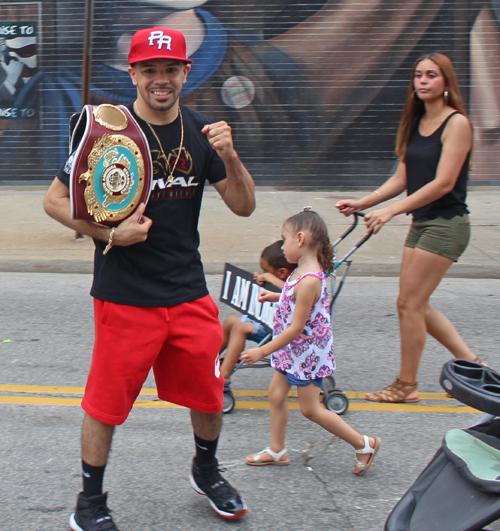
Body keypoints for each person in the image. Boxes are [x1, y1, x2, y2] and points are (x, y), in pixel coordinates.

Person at [43, 26, 255, 530]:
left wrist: (229, 154)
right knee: (105, 406)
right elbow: (53, 201)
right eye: (150, 70)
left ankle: (206, 471)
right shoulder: (107, 132)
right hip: (125, 293)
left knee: (209, 393)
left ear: (185, 72)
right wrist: (109, 234)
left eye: (171, 69)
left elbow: (244, 207)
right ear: (134, 74)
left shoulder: (202, 135)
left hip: (187, 291)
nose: (161, 79)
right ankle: (89, 502)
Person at [336, 52, 482, 403]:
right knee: (415, 304)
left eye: (431, 75)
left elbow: (444, 183)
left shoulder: (456, 123)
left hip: (447, 224)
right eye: (418, 75)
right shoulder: (415, 123)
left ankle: (407, 385)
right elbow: (402, 179)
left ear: (446, 83)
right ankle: (474, 365)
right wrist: (365, 203)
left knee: (410, 304)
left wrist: (392, 212)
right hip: (423, 223)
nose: (423, 81)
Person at [240, 210, 381, 474]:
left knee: (311, 409)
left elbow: (296, 327)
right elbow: (292, 298)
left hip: (306, 353)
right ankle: (277, 450)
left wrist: (262, 350)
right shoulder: (299, 272)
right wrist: (275, 298)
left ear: (301, 239)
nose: (282, 247)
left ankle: (364, 444)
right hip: (292, 350)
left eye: (284, 240)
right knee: (276, 394)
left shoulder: (309, 280)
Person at [220, 240, 296, 387]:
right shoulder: (280, 278)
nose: (263, 274)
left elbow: (290, 292)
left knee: (239, 328)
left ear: (281, 273)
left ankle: (225, 376)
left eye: (265, 271)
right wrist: (262, 279)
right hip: (264, 319)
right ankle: (212, 362)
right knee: (230, 321)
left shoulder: (297, 282)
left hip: (279, 329)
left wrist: (268, 278)